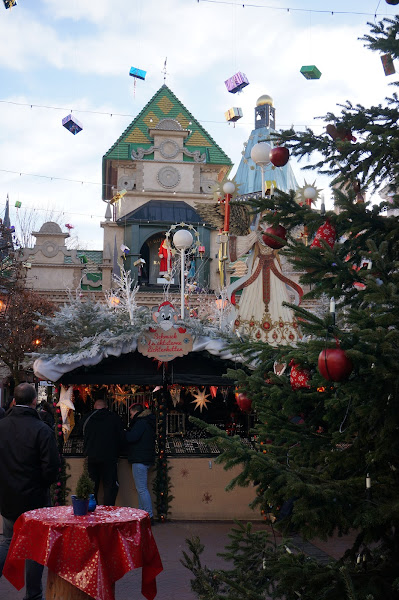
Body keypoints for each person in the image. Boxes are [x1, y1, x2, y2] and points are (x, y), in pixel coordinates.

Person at [0, 382, 60, 600]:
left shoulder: (2, 426)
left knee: (8, 540)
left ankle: (33, 594)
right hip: (35, 497)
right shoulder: (42, 430)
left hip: (8, 495)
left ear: (14, 400)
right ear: (34, 401)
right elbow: (51, 467)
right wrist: (43, 484)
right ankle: (33, 594)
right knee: (35, 545)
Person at [82, 398, 125, 506]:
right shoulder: (114, 418)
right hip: (110, 457)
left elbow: (80, 433)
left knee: (92, 487)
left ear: (95, 407)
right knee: (110, 487)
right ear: (106, 407)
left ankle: (92, 512)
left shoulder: (87, 418)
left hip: (92, 456)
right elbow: (122, 437)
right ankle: (108, 511)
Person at [126, 403, 156, 524]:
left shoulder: (140, 423)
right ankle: (142, 514)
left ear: (136, 412)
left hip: (139, 458)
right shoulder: (147, 422)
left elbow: (132, 437)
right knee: (141, 489)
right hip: (146, 458)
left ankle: (149, 515)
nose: (131, 416)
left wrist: (124, 433)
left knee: (142, 489)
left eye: (131, 414)